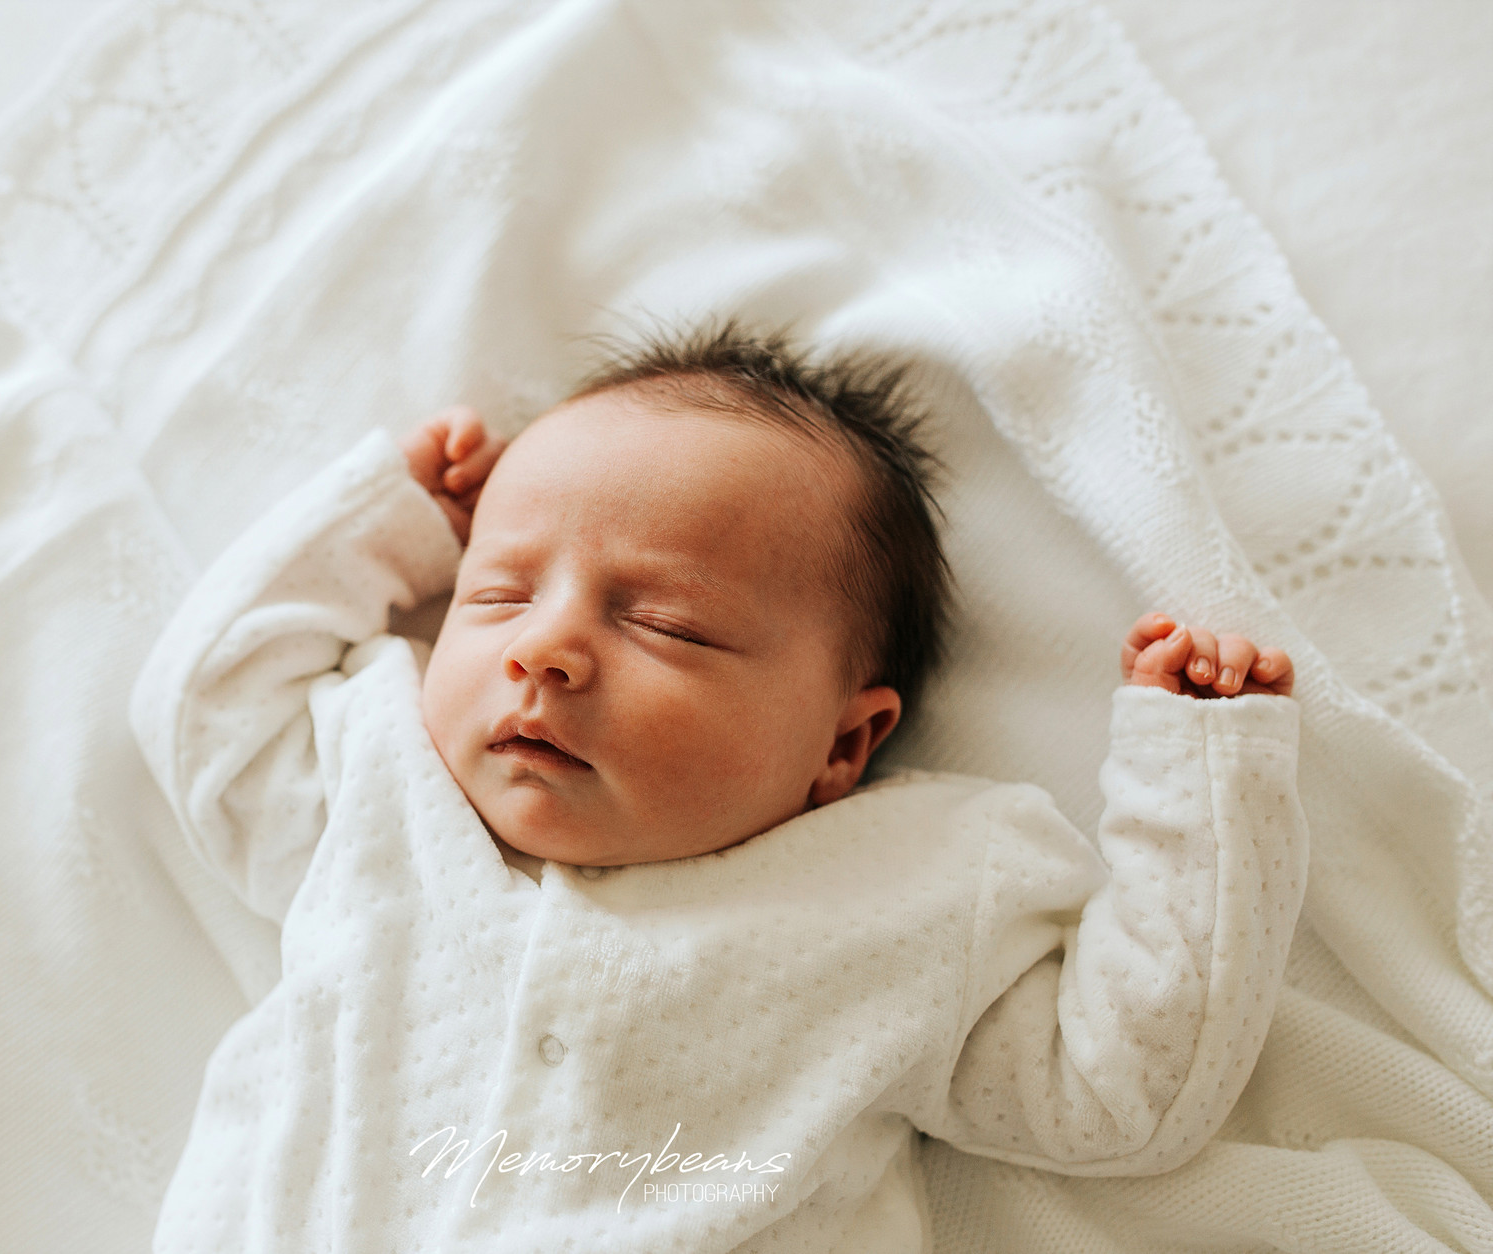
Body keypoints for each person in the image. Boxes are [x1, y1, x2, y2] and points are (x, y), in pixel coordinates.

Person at [132, 325, 1307, 1252]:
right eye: (494, 595)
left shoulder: (912, 894)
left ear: (843, 746)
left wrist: (1196, 779)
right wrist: (382, 529)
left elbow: (1121, 1094)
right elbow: (203, 713)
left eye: (665, 624)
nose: (545, 649)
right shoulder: (381, 794)